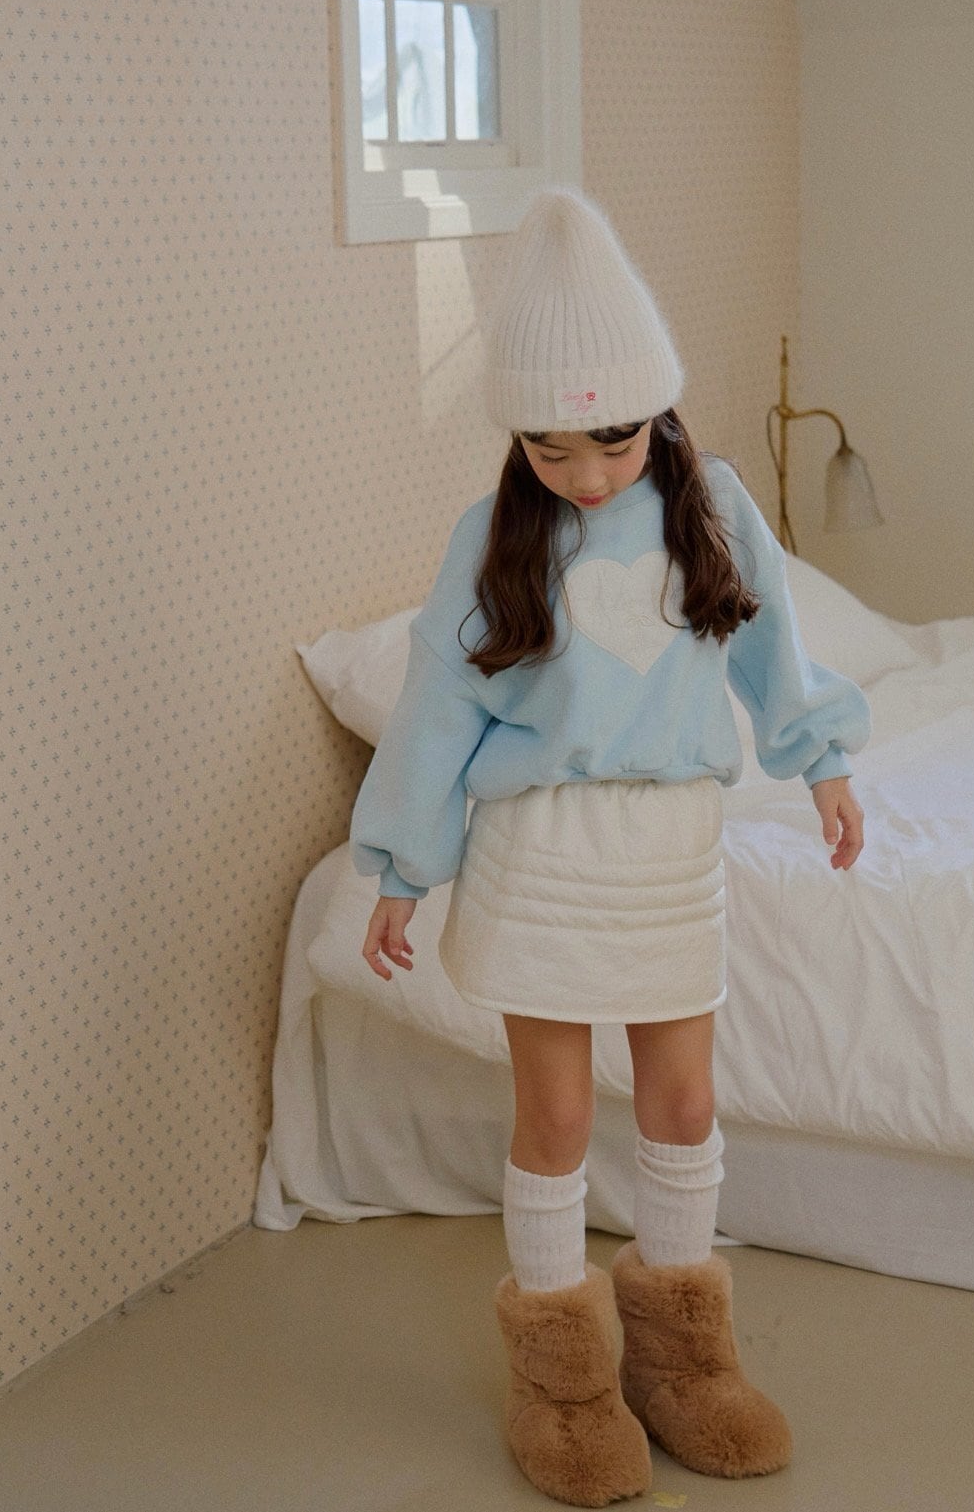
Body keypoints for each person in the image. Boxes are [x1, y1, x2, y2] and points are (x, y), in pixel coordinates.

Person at [349, 186, 870, 1507]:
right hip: (541, 853)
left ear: (658, 410)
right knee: (561, 1115)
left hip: (667, 853)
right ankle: (562, 1382)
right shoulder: (495, 539)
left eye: (613, 441)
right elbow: (438, 707)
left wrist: (821, 762)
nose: (585, 475)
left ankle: (686, 1363)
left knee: (685, 1105)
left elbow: (773, 648)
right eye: (549, 446)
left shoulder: (714, 507)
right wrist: (401, 868)